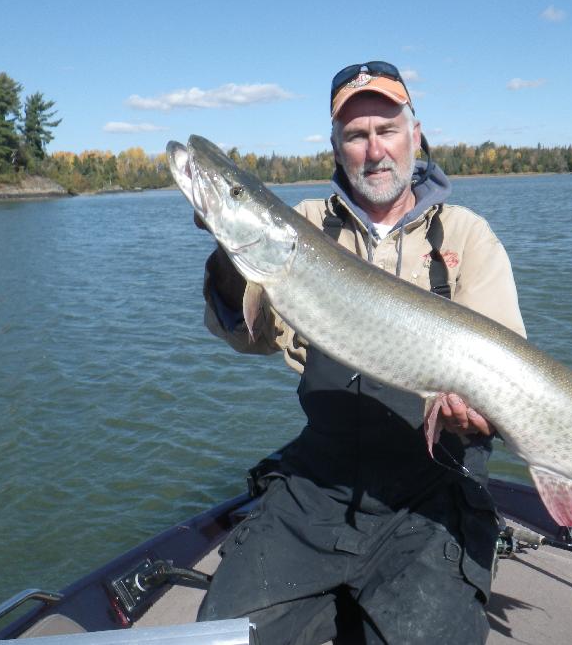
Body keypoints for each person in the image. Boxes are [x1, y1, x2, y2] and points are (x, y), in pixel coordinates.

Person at [196, 61, 526, 644]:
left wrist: (479, 419)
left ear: (414, 135)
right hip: (318, 485)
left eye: (387, 129)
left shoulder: (467, 236)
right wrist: (228, 248)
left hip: (434, 487)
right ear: (336, 147)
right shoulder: (300, 226)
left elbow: (508, 380)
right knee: (221, 637)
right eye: (355, 134)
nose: (374, 150)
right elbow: (248, 333)